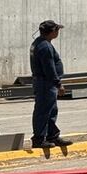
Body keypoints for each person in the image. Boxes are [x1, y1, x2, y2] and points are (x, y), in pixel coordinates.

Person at [29, 20, 72, 149]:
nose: (58, 32)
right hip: (45, 83)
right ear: (52, 31)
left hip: (45, 83)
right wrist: (58, 84)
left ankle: (52, 135)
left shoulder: (39, 43)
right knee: (43, 111)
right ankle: (38, 138)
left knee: (51, 110)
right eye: (57, 30)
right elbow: (49, 68)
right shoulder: (45, 46)